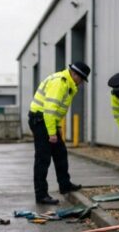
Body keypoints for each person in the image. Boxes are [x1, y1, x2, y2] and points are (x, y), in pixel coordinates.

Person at [28, 62, 90, 204]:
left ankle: (65, 185)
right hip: (41, 120)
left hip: (47, 121)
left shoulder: (68, 84)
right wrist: (52, 133)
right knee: (43, 158)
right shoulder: (60, 83)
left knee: (60, 153)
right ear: (75, 75)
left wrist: (57, 127)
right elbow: (49, 110)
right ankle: (41, 195)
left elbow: (56, 110)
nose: (81, 83)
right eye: (81, 79)